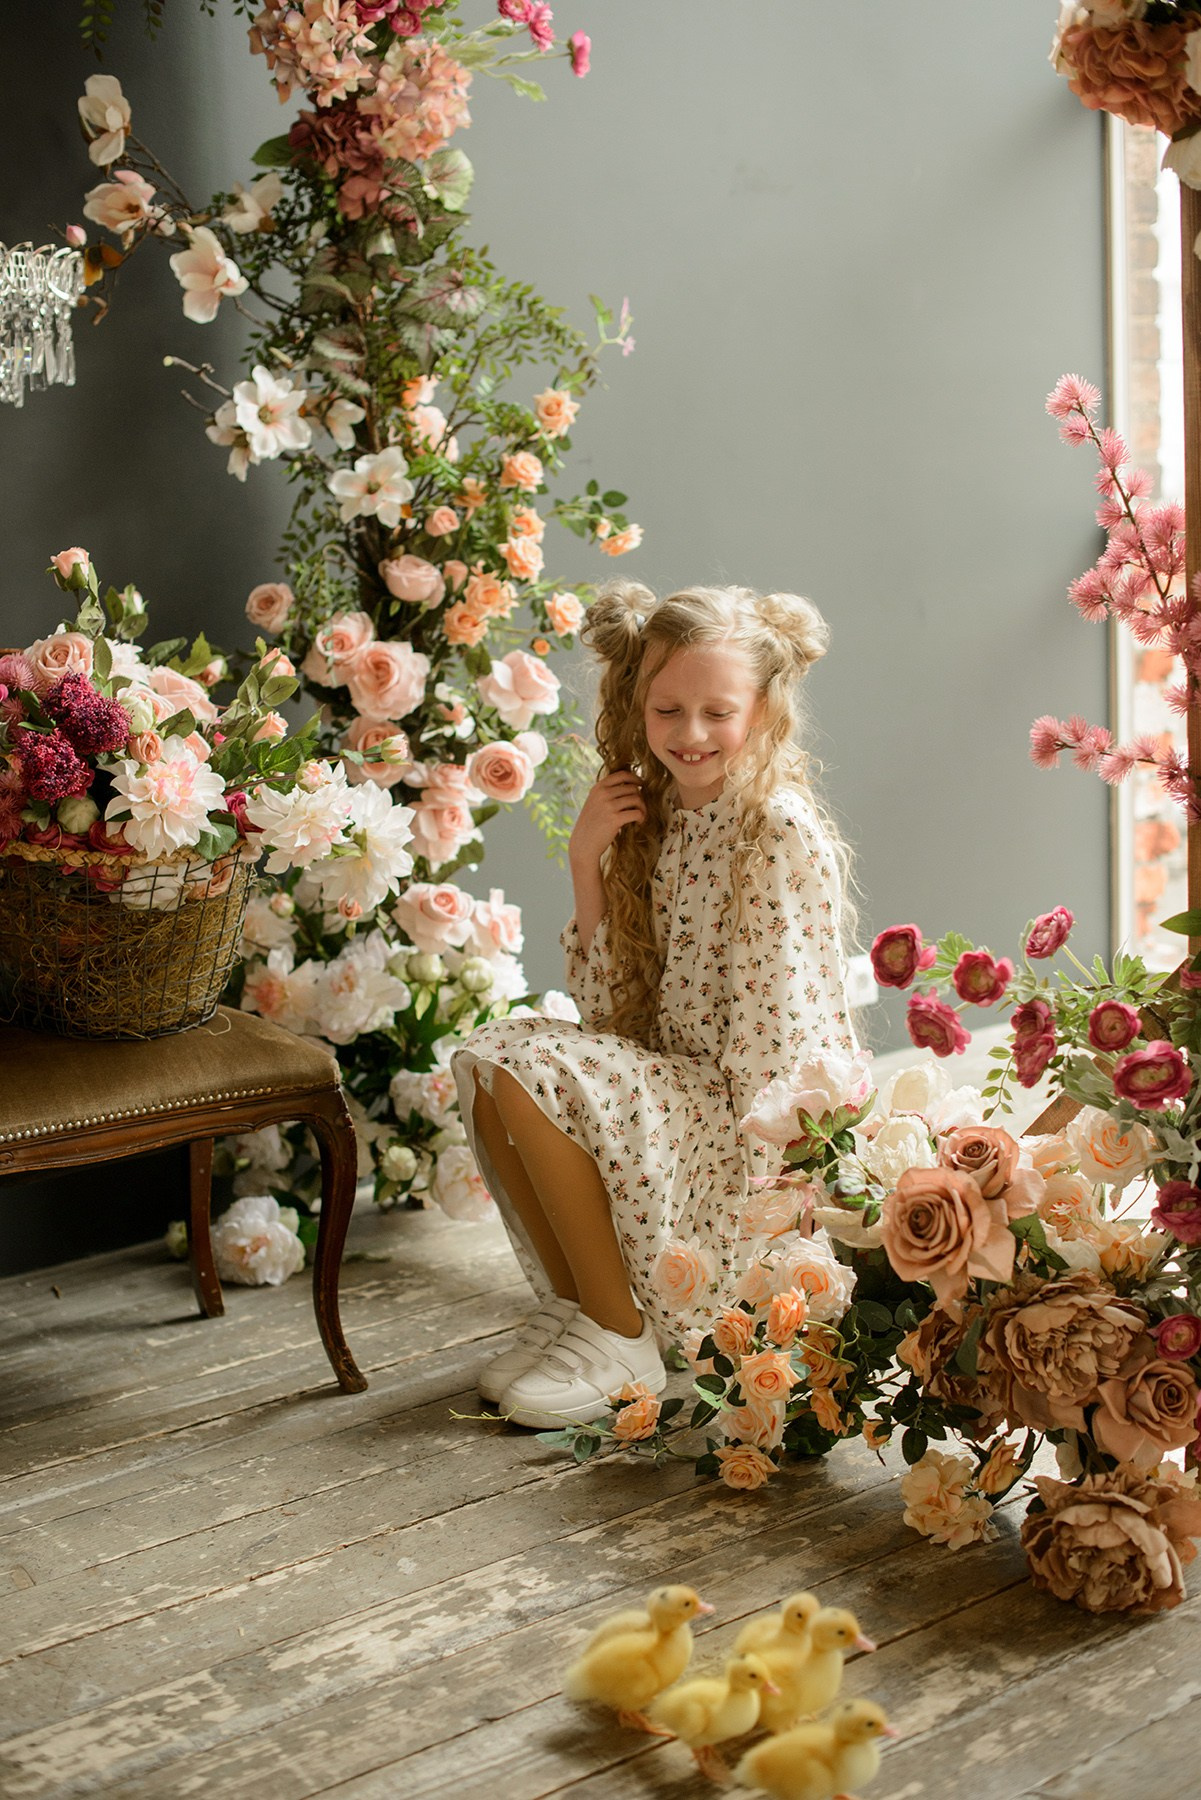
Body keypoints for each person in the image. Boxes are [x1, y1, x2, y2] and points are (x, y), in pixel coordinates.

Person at [451, 580, 856, 1429]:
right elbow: (608, 1022)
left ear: (762, 709)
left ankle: (621, 1331)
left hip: (741, 1127)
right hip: (681, 1091)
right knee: (490, 1059)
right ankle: (576, 1308)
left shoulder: (772, 830)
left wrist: (764, 1203)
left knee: (526, 1065)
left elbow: (778, 1043)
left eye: (717, 711)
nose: (691, 734)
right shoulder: (661, 814)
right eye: (667, 710)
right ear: (636, 708)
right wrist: (586, 862)